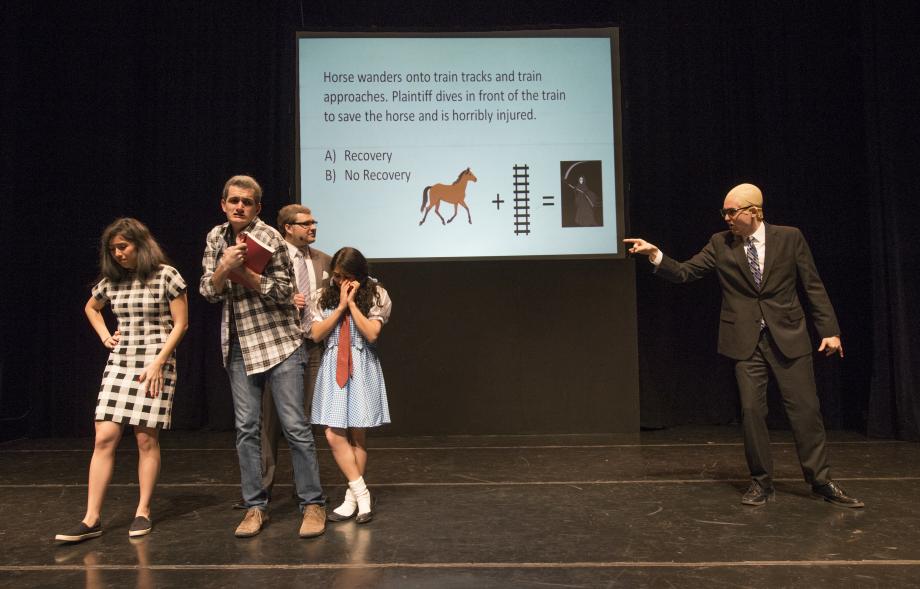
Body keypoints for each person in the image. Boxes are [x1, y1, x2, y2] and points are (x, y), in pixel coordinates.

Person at [624, 183, 863, 508]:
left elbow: (813, 285)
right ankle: (761, 482)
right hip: (746, 342)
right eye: (724, 212)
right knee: (752, 412)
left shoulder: (789, 238)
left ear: (754, 211)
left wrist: (830, 331)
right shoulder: (720, 244)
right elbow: (685, 272)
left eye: (731, 211)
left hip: (789, 336)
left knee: (806, 411)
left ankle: (820, 480)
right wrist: (656, 254)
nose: (726, 218)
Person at [200, 175, 326, 538]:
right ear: (223, 204)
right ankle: (255, 508)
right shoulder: (215, 238)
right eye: (234, 200)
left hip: (280, 343)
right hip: (239, 344)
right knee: (246, 430)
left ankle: (312, 504)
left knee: (295, 426)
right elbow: (208, 291)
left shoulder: (269, 237)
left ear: (257, 207)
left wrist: (247, 274)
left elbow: (286, 292)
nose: (240, 206)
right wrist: (225, 267)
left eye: (248, 202)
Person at [56, 218, 189, 543]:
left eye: (123, 247)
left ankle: (142, 510)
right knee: (104, 437)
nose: (117, 254)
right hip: (122, 360)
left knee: (145, 439)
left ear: (140, 245)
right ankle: (91, 519)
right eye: (112, 248)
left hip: (156, 360)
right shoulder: (111, 281)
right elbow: (92, 307)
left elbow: (180, 325)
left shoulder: (166, 276)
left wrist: (159, 362)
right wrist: (105, 336)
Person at [310, 247, 392, 524]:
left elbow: (371, 333)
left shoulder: (377, 294)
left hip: (361, 364)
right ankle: (362, 493)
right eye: (336, 275)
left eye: (345, 276)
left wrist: (354, 305)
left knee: (358, 435)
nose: (339, 281)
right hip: (334, 364)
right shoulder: (323, 296)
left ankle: (350, 499)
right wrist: (341, 306)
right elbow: (316, 333)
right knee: (333, 434)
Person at [258, 204, 331, 500]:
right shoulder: (270, 259)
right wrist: (286, 301)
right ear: (287, 228)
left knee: (306, 418)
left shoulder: (325, 260)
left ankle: (307, 488)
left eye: (314, 222)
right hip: (279, 347)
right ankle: (262, 487)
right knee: (270, 420)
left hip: (311, 344)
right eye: (305, 223)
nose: (312, 227)